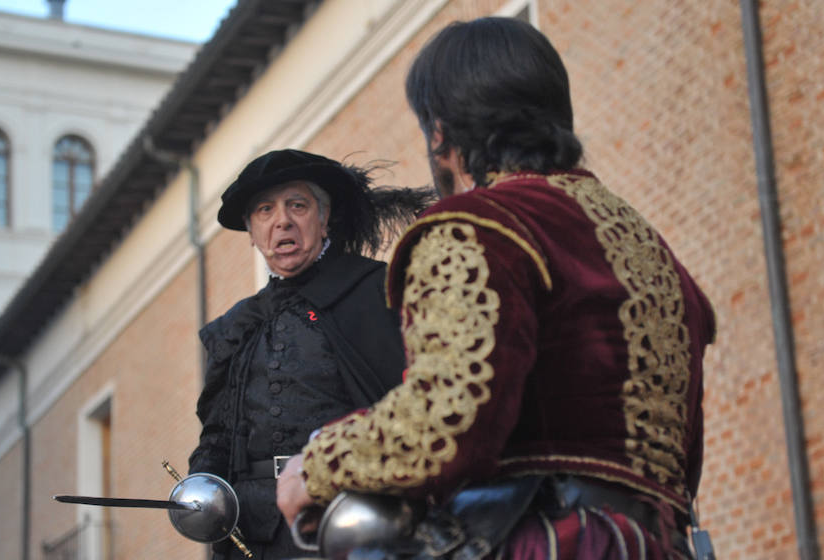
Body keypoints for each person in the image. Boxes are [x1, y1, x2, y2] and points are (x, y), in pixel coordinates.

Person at [277, 17, 716, 559]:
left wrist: (317, 465)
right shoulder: (652, 249)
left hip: (544, 542)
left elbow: (447, 419)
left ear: (439, 131)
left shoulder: (474, 227)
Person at [189, 149, 432, 559]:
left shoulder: (376, 291)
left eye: (296, 205)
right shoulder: (236, 326)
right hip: (256, 533)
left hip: (350, 518)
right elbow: (218, 435)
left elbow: (410, 405)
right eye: (265, 210)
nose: (281, 220)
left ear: (324, 219)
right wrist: (200, 486)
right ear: (252, 231)